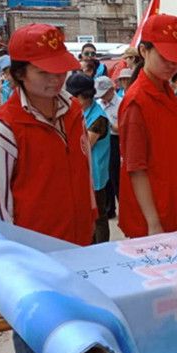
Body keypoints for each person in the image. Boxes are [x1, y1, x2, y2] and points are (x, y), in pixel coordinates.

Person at [0, 23, 94, 353]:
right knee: (33, 321)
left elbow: (82, 165)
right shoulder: (4, 128)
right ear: (18, 73)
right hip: (31, 248)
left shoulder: (72, 110)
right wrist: (8, 259)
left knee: (69, 313)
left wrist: (91, 213)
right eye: (43, 72)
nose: (55, 78)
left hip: (76, 236)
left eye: (59, 69)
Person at [118, 14, 177, 236]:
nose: (172, 65)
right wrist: (153, 223)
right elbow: (136, 168)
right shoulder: (136, 102)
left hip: (176, 208)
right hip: (156, 219)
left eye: (176, 58)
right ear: (144, 51)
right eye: (165, 57)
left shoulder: (166, 90)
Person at [66, 73, 111, 244]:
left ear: (83, 96)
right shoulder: (82, 111)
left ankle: (101, 249)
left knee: (99, 216)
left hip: (95, 175)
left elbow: (84, 147)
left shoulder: (98, 118)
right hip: (84, 174)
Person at [95, 75, 122, 219]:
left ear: (112, 89)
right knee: (104, 175)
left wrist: (107, 124)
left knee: (116, 175)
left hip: (115, 141)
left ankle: (123, 207)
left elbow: (122, 128)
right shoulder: (98, 104)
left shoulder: (121, 103)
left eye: (104, 94)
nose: (102, 97)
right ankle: (109, 208)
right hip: (101, 141)